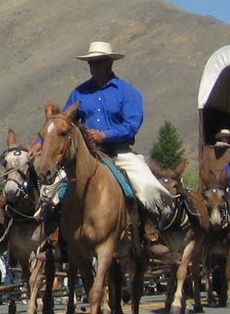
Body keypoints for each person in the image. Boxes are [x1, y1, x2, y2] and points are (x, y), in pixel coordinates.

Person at [57, 40, 171, 219]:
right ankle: (53, 237)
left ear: (110, 62)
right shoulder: (79, 93)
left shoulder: (127, 92)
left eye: (99, 62)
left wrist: (104, 135)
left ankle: (152, 231)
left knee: (148, 187)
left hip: (119, 153)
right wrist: (40, 143)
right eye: (91, 63)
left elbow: (131, 126)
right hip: (86, 155)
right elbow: (62, 123)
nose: (94, 66)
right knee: (51, 192)